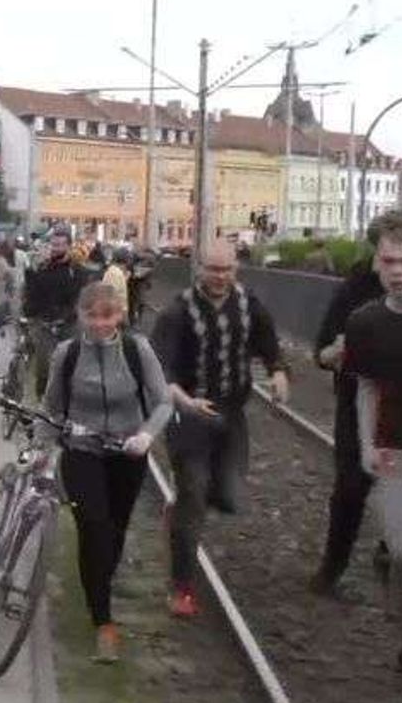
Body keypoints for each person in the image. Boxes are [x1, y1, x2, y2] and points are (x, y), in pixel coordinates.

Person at [151, 239, 289, 617]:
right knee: (194, 493)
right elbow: (160, 368)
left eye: (227, 269)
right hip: (189, 415)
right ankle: (181, 588)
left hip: (230, 414)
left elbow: (267, 341)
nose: (220, 277)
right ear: (199, 268)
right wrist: (182, 398)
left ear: (236, 269)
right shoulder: (178, 312)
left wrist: (278, 372)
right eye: (213, 269)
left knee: (230, 496)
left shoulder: (247, 304)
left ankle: (179, 513)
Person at [42, 282, 172, 662]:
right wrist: (43, 449)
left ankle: (100, 582)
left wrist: (147, 435)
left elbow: (163, 401)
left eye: (107, 315)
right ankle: (103, 622)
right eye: (91, 315)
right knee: (93, 528)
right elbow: (52, 408)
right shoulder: (67, 354)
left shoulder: (137, 349)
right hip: (82, 451)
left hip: (128, 454)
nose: (99, 324)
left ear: (120, 316)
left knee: (114, 532)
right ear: (79, 315)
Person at [309, 212, 392, 598]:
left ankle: (388, 549)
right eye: (387, 257)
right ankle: (331, 571)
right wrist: (336, 352)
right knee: (352, 488)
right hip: (357, 406)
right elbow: (321, 352)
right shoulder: (354, 291)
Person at [342, 211, 402, 670]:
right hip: (391, 450)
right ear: (377, 263)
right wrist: (365, 443)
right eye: (389, 260)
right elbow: (365, 386)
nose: (398, 270)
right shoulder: (365, 322)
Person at [24, 227, 86, 398]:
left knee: (70, 364)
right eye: (53, 245)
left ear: (69, 246)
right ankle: (41, 400)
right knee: (44, 365)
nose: (55, 249)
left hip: (68, 323)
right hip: (44, 322)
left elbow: (78, 296)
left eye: (60, 245)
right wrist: (32, 271)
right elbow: (32, 293)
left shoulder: (76, 270)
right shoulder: (43, 267)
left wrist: (68, 315)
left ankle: (67, 400)